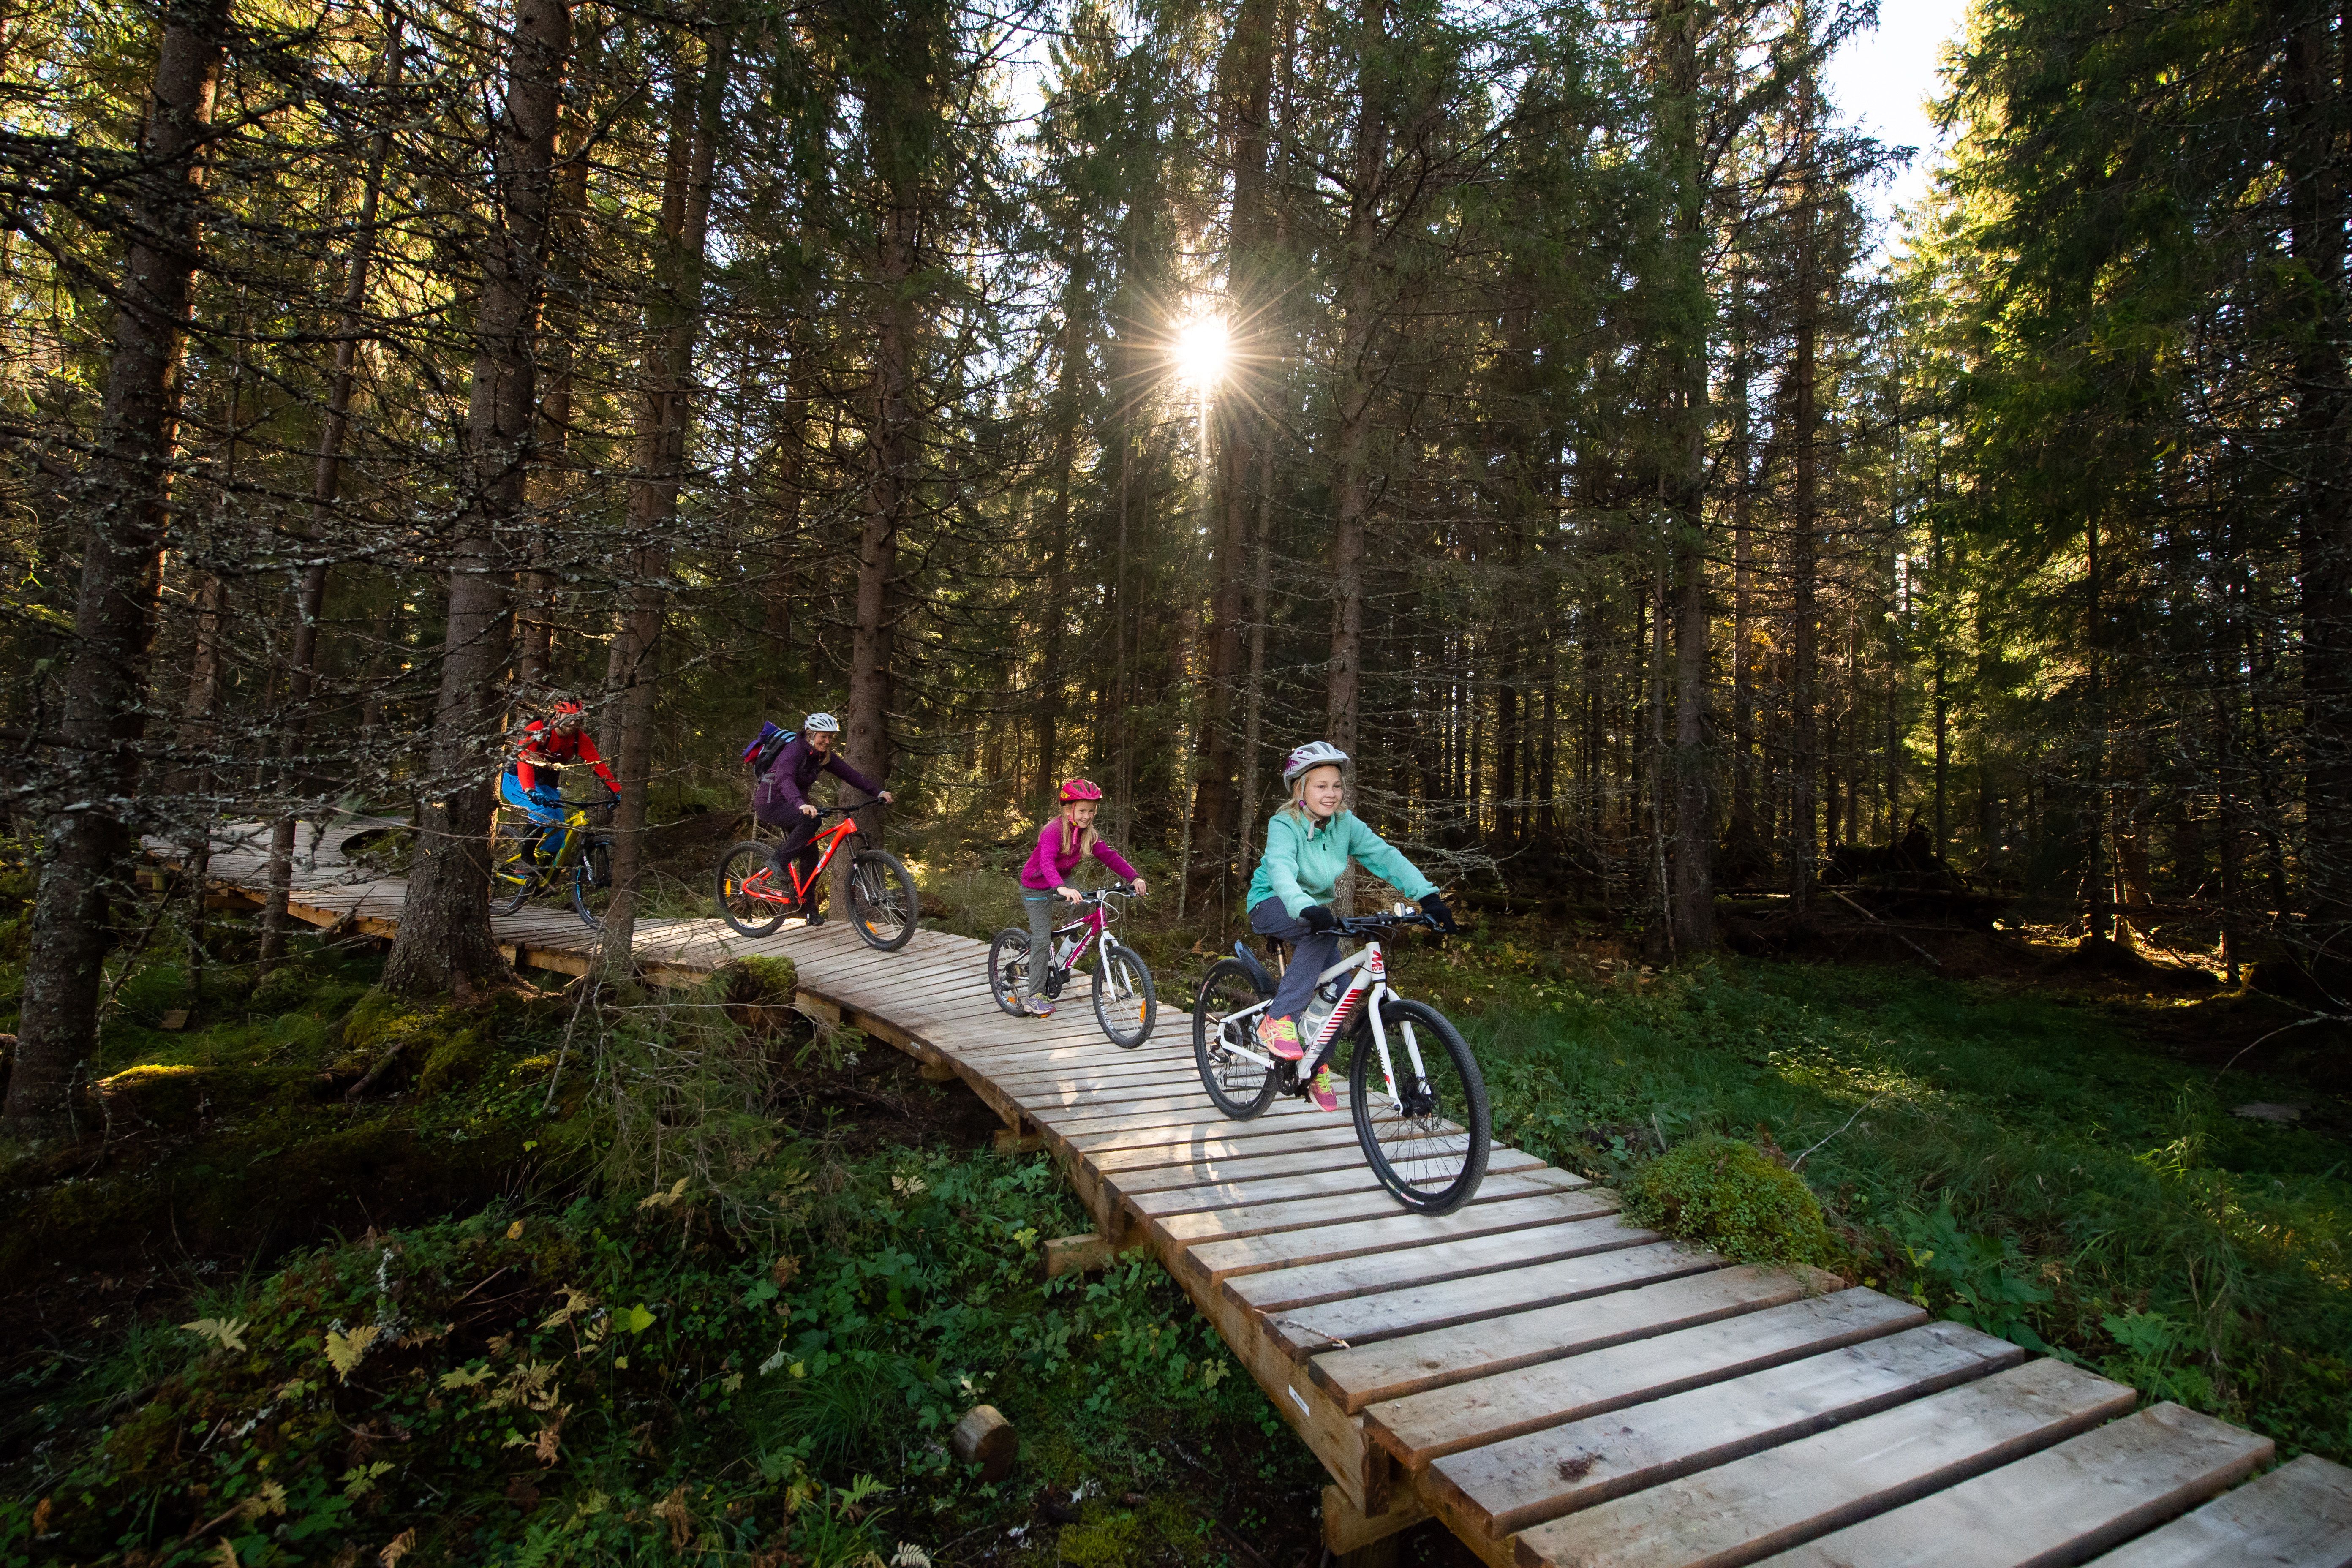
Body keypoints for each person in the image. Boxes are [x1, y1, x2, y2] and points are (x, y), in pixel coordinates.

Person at [1243, 741, 1456, 1110]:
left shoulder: (1345, 824)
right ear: (1300, 789)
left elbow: (1384, 856)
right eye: (1321, 786)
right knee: (1317, 931)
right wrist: (1304, 906)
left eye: (1337, 786)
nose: (1331, 794)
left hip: (1313, 913)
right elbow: (1281, 868)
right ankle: (1277, 1019)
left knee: (1341, 991)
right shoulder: (1285, 823)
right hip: (1273, 902)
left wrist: (1427, 896)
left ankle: (1314, 1065)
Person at [1014, 779, 1148, 1016]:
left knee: (1086, 902)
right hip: (1036, 886)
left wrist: (1134, 877)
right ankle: (1033, 997)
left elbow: (1110, 857)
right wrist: (1060, 888)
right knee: (1042, 939)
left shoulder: (1088, 834)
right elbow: (1046, 862)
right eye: (1083, 811)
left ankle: (1071, 943)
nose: (1087, 816)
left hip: (1062, 882)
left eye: (1092, 811)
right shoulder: (1053, 831)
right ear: (1069, 810)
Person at [750, 712, 893, 924]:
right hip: (771, 803)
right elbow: (784, 779)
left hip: (794, 804)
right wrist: (801, 804)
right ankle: (778, 860)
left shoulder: (822, 756)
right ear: (811, 735)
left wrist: (878, 792)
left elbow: (851, 775)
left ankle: (807, 909)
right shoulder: (794, 750)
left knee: (811, 854)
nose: (827, 741)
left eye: (830, 737)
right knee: (812, 821)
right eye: (823, 736)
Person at [500, 700, 619, 862]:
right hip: (517, 778)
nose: (573, 723)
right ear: (558, 715)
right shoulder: (537, 730)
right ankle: (525, 862)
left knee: (557, 830)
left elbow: (598, 766)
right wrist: (530, 790)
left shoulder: (579, 739)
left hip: (547, 784)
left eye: (578, 719)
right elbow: (524, 761)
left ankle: (546, 872)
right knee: (542, 810)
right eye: (569, 717)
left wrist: (618, 791)